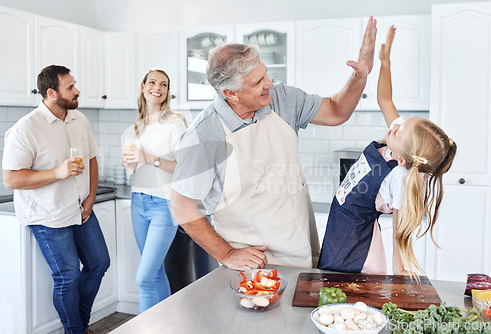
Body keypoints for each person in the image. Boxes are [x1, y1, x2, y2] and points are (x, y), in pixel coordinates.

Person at [170, 17, 378, 271]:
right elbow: (181, 206)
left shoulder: (281, 99)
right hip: (253, 269)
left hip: (301, 254)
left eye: (265, 73)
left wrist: (359, 78)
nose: (269, 83)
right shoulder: (205, 136)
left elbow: (336, 111)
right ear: (231, 94)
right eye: (257, 82)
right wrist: (226, 254)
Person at [318, 26, 457, 277]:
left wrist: (399, 273)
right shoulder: (398, 145)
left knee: (351, 294)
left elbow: (399, 234)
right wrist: (385, 61)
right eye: (402, 123)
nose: (396, 125)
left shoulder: (400, 177)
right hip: (340, 225)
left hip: (358, 247)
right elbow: (385, 99)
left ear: (403, 159)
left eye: (401, 129)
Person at [2, 65, 110, 334]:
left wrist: (91, 197)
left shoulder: (79, 120)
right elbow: (12, 179)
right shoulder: (25, 129)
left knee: (99, 263)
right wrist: (57, 172)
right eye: (70, 87)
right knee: (68, 276)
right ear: (51, 92)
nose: (78, 91)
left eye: (75, 85)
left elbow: (92, 158)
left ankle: (80, 326)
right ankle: (76, 331)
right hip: (48, 215)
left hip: (81, 209)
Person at [121, 68, 187, 313]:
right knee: (156, 273)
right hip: (138, 202)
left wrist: (149, 158)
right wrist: (131, 165)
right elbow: (136, 169)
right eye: (152, 82)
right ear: (143, 86)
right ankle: (167, 325)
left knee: (144, 279)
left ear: (168, 91)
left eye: (164, 85)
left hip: (164, 205)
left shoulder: (174, 123)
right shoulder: (138, 125)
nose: (157, 88)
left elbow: (184, 167)